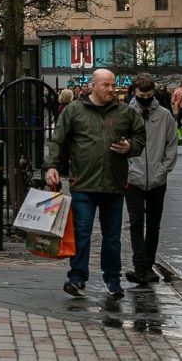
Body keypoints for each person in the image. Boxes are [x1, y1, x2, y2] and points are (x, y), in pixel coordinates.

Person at [43, 68, 146, 299]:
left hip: (114, 184)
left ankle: (112, 278)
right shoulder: (74, 111)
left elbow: (140, 136)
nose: (111, 89)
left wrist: (130, 146)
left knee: (112, 236)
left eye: (112, 85)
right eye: (106, 85)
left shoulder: (125, 112)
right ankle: (77, 277)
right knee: (82, 232)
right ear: (93, 85)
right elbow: (58, 140)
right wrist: (51, 166)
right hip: (84, 183)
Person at [124, 74, 177, 286]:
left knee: (154, 224)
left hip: (157, 179)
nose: (145, 97)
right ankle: (140, 266)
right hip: (133, 179)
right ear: (134, 93)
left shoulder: (164, 116)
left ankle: (148, 265)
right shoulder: (126, 114)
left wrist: (164, 169)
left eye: (148, 94)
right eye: (141, 94)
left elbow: (171, 144)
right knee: (136, 223)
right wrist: (128, 169)